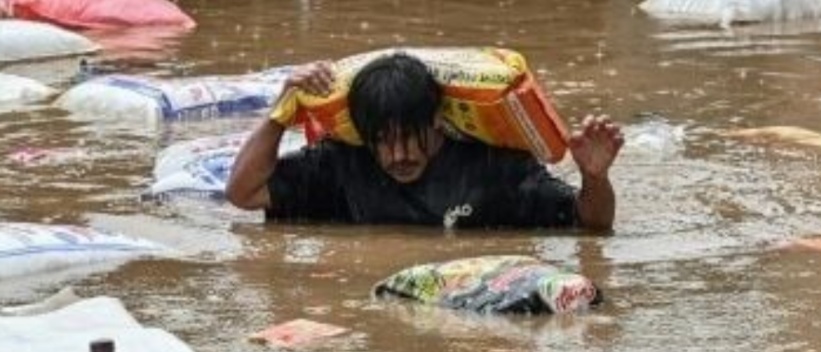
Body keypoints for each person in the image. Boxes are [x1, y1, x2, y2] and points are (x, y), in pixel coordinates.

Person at [225, 52, 624, 230]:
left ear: (436, 121)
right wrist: (281, 113)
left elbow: (591, 225)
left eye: (409, 138)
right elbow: (244, 193)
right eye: (382, 141)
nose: (398, 155)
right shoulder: (342, 164)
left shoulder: (495, 169)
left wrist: (595, 178)